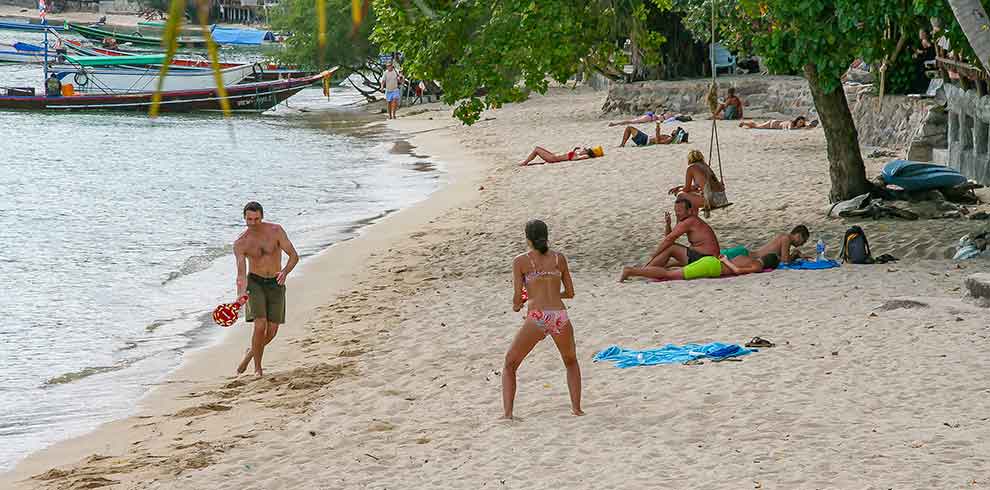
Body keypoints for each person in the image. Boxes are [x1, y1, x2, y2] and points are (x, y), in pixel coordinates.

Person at [503, 220, 583, 419]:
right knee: (571, 362)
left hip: (538, 316)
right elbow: (570, 293)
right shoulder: (559, 259)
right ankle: (576, 408)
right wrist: (554, 295)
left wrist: (520, 303)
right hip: (559, 315)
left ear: (527, 239)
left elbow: (516, 298)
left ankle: (508, 413)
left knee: (510, 364)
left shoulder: (521, 261)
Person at [232, 202, 299, 377]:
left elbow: (293, 255)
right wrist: (241, 293)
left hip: (276, 282)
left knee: (272, 331)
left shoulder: (276, 231)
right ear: (244, 218)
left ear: (262, 216)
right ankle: (258, 368)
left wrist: (285, 272)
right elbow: (241, 273)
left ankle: (249, 354)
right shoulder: (241, 243)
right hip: (255, 283)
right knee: (260, 325)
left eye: (256, 219)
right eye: (249, 219)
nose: (253, 223)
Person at [619, 197, 720, 281]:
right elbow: (670, 237)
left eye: (680, 211)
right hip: (701, 256)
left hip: (706, 258)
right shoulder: (686, 220)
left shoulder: (690, 221)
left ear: (689, 211)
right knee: (669, 255)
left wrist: (654, 255)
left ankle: (641, 271)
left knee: (672, 249)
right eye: (676, 211)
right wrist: (668, 224)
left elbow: (669, 240)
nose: (677, 214)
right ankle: (645, 270)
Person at [621, 253, 781, 282]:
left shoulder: (749, 258)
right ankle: (632, 271)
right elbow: (737, 271)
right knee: (668, 275)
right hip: (713, 267)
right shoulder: (756, 266)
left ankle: (634, 271)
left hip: (710, 262)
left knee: (671, 272)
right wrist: (726, 260)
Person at [519, 146, 602, 166]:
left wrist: (586, 156)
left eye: (585, 149)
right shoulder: (576, 154)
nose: (583, 149)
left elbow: (574, 159)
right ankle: (525, 162)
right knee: (538, 148)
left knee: (536, 149)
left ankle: (524, 163)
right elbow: (569, 156)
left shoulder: (578, 156)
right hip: (553, 156)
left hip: (552, 159)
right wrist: (574, 150)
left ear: (586, 153)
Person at [620, 123, 688, 147]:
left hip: (645, 140)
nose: (674, 130)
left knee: (629, 128)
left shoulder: (669, 139)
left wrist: (658, 130)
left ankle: (622, 145)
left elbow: (658, 142)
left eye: (676, 130)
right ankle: (622, 144)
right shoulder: (669, 138)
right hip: (646, 138)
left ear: (676, 134)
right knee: (629, 128)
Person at [738, 116, 819, 130]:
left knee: (757, 126)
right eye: (800, 122)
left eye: (802, 123)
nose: (801, 124)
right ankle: (744, 123)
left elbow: (804, 126)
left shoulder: (797, 125)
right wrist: (805, 127)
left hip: (774, 123)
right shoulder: (791, 124)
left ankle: (746, 124)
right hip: (772, 124)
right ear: (797, 121)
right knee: (757, 126)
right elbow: (789, 129)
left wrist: (808, 126)